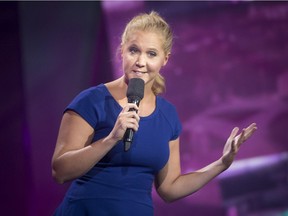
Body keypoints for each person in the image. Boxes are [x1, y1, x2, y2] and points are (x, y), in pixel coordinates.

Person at [52, 11, 257, 216]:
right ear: (122, 51)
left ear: (164, 60)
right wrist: (111, 138)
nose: (141, 61)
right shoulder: (92, 101)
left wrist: (222, 163)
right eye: (134, 50)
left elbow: (170, 188)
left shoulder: (168, 115)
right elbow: (60, 171)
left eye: (151, 54)